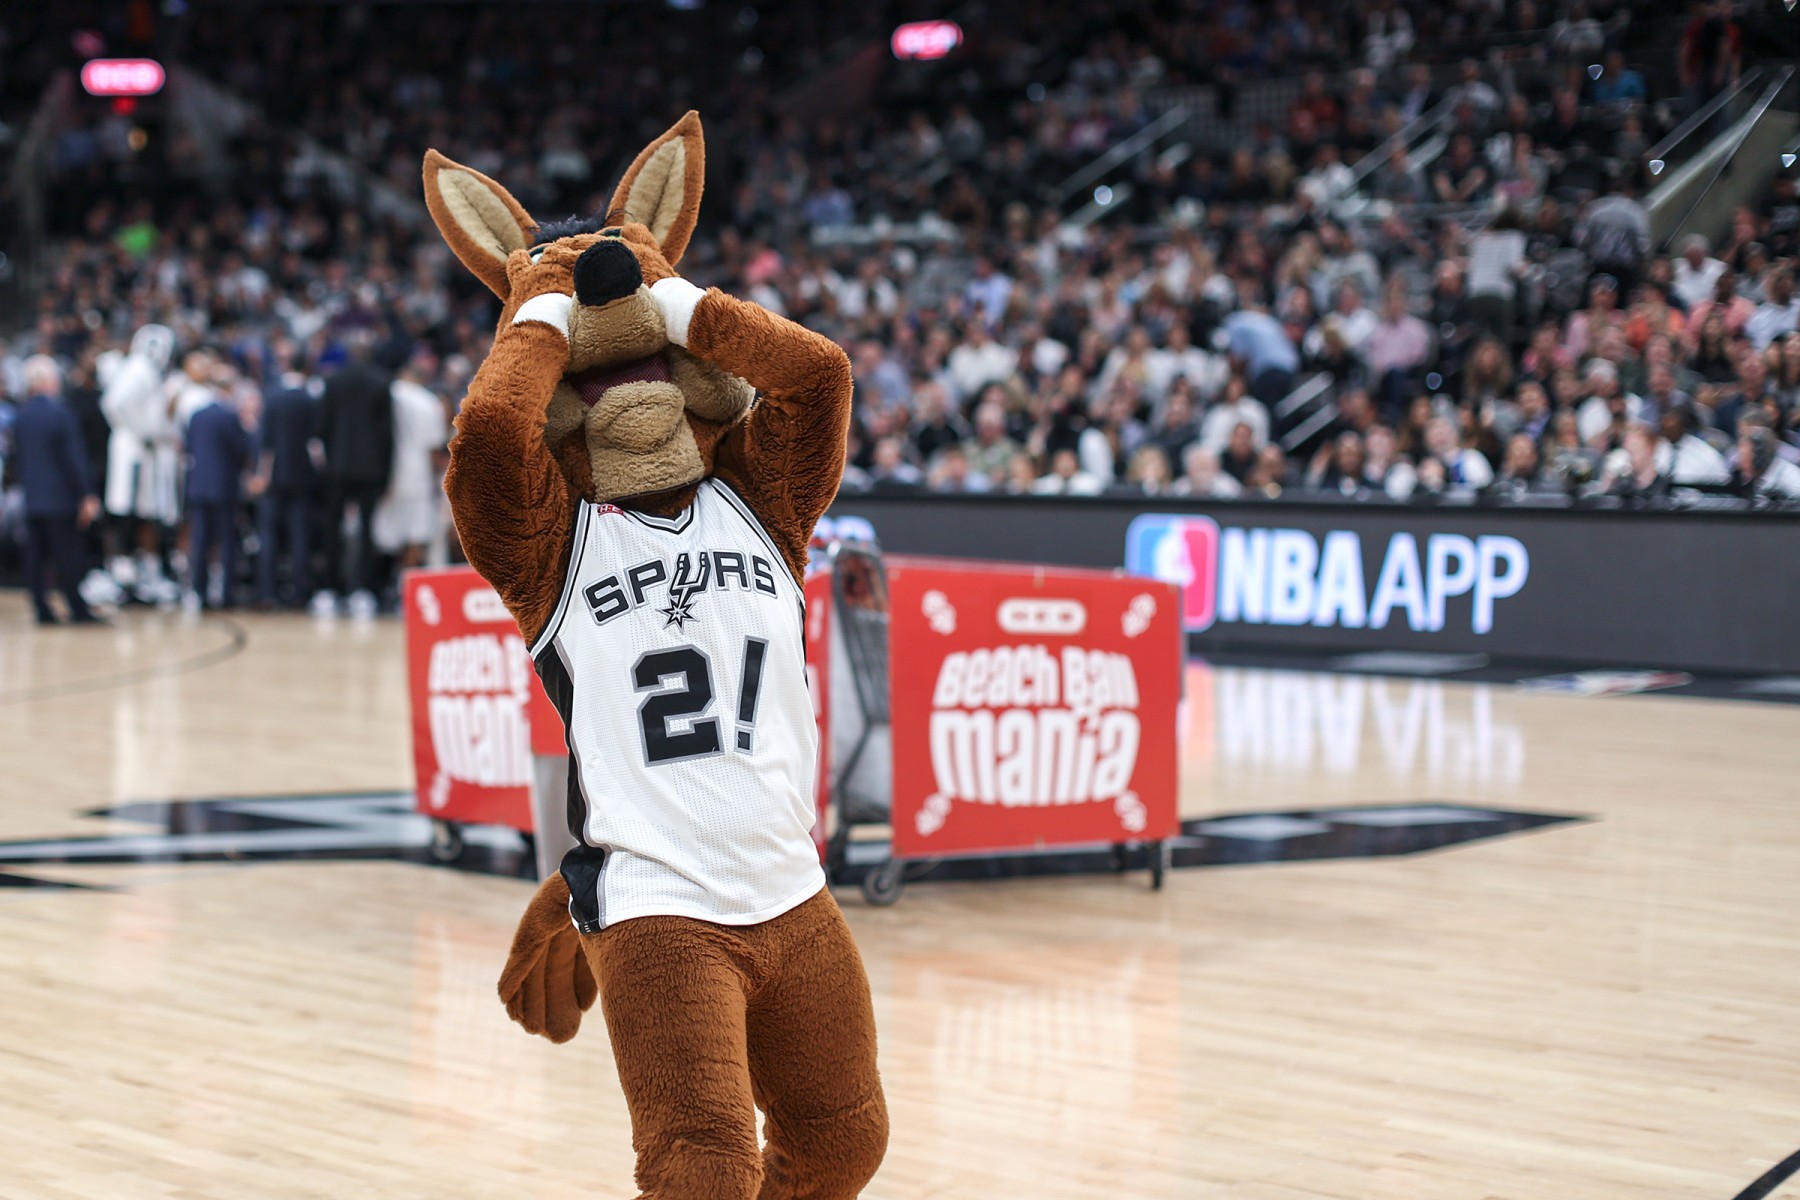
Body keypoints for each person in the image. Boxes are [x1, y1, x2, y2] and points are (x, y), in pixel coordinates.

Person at [12, 356, 104, 625]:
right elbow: (74, 458)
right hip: (60, 498)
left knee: (35, 557)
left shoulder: (21, 416)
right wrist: (86, 493)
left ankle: (41, 608)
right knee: (68, 555)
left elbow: (18, 458)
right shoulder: (61, 413)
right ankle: (76, 607)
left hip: (32, 497)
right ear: (49, 381)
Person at [316, 336, 396, 619]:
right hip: (370, 469)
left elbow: (322, 428)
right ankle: (364, 591)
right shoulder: (382, 382)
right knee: (367, 531)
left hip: (337, 468)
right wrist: (386, 475)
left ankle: (331, 589)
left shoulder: (333, 382)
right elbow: (387, 435)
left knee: (332, 529)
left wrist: (329, 462)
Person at [373, 349, 451, 588]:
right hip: (417, 475)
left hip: (386, 473)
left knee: (388, 533)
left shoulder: (386, 395)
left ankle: (387, 585)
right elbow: (433, 447)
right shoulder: (428, 402)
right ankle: (404, 587)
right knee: (416, 533)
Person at [254, 352, 321, 609]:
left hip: (274, 477)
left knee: (269, 535)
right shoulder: (309, 399)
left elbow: (265, 443)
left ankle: (267, 593)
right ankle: (299, 594)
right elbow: (315, 443)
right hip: (302, 476)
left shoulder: (272, 397)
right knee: (299, 536)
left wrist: (262, 475)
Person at [184, 370, 253, 610]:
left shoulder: (197, 415)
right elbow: (241, 449)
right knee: (226, 542)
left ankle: (199, 592)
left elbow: (189, 446)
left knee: (200, 541)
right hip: (223, 487)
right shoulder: (229, 416)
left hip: (198, 486)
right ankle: (226, 595)